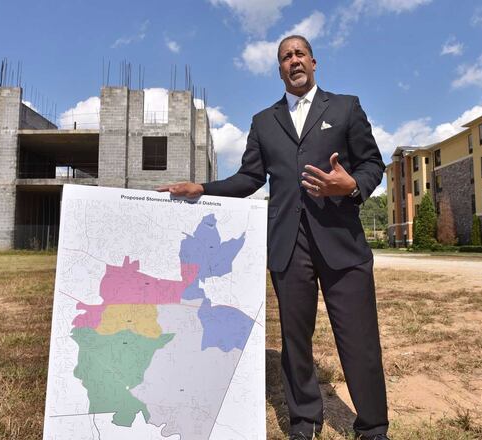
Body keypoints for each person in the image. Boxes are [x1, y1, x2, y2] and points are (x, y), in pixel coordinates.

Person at [158, 35, 388, 440]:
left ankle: (372, 427)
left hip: (342, 243)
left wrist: (351, 185)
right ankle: (304, 422)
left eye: (299, 54)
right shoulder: (264, 122)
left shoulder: (346, 107)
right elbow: (249, 178)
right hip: (287, 245)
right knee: (294, 342)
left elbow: (373, 164)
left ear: (314, 62)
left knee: (359, 340)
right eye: (285, 57)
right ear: (279, 68)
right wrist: (203, 189)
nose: (293, 60)